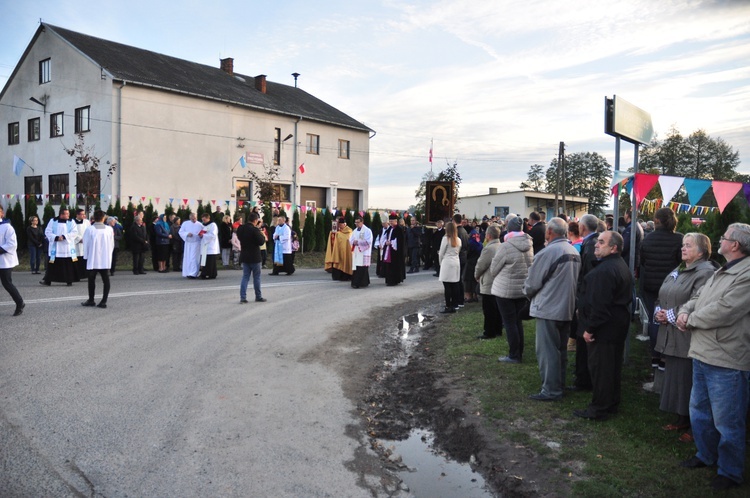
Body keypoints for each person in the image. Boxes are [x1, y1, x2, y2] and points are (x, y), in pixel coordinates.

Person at [676, 223, 750, 491]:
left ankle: (730, 472)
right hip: (702, 352)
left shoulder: (747, 274)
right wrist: (684, 311)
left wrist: (690, 320)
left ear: (736, 245)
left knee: (728, 421)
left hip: (727, 358)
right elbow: (698, 296)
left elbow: (726, 310)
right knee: (699, 413)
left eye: (725, 237)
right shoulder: (723, 269)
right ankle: (706, 455)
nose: (721, 239)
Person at [653, 233, 716, 441]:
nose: (683, 249)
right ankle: (682, 418)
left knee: (688, 380)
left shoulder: (705, 273)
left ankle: (693, 424)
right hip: (670, 333)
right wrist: (658, 312)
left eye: (688, 246)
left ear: (701, 251)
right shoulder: (679, 269)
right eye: (683, 245)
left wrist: (670, 315)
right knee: (677, 379)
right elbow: (663, 294)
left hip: (686, 335)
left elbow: (700, 302)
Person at [574, 230, 633, 420]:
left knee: (601, 370)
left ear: (613, 248)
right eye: (597, 241)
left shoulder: (604, 271)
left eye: (601, 242)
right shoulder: (617, 264)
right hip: (616, 325)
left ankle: (599, 408)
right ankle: (611, 403)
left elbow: (600, 307)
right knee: (611, 368)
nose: (596, 245)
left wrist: (589, 329)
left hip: (605, 329)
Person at [523, 217, 580, 401]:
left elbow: (532, 283)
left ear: (549, 232)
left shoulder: (548, 252)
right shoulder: (573, 250)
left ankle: (551, 390)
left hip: (549, 307)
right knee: (560, 350)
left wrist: (527, 294)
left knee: (548, 351)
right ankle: (559, 384)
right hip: (567, 307)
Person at [639, 207, 683, 369]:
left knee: (654, 318)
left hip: (651, 285)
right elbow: (681, 263)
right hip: (671, 285)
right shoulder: (679, 239)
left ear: (656, 221)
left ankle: (655, 355)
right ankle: (665, 356)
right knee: (670, 318)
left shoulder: (647, 239)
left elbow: (642, 262)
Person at [491, 215, 534, 363]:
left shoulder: (505, 246)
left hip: (506, 290)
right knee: (517, 322)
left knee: (510, 323)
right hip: (522, 289)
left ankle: (514, 355)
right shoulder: (529, 244)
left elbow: (493, 269)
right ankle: (518, 352)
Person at [570, 214, 600, 391]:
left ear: (582, 228)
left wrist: (581, 301)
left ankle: (583, 379)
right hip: (587, 298)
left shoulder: (590, 246)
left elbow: (587, 276)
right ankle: (583, 376)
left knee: (583, 342)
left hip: (586, 300)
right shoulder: (594, 243)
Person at [474, 224, 504, 339]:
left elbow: (481, 265)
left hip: (489, 281)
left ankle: (489, 332)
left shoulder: (489, 249)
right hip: (498, 281)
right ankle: (498, 329)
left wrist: (476, 275)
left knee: (488, 309)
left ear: (489, 235)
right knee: (496, 308)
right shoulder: (501, 246)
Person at [81, 210, 114, 309]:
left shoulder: (89, 229)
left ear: (94, 218)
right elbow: (112, 245)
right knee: (106, 279)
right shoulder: (109, 229)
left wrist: (86, 257)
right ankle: (104, 301)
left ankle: (91, 300)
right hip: (105, 258)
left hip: (93, 258)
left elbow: (85, 244)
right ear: (103, 218)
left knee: (91, 280)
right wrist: (109, 256)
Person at [41, 207, 78, 286]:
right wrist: (56, 237)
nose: (68, 215)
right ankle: (48, 281)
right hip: (56, 247)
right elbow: (47, 231)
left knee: (68, 265)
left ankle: (69, 280)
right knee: (52, 265)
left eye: (68, 213)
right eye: (66, 214)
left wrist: (64, 237)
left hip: (66, 248)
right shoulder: (53, 221)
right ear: (61, 215)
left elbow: (75, 232)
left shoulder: (71, 222)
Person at [236, 212, 267, 303]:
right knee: (256, 277)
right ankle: (258, 296)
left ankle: (243, 297)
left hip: (245, 255)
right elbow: (261, 241)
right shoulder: (254, 230)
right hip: (255, 256)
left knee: (245, 277)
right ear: (255, 220)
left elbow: (239, 237)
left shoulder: (241, 228)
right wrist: (260, 233)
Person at [0, 205, 25, 316]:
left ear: (2, 213)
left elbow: (12, 244)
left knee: (6, 283)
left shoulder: (7, 227)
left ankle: (19, 302)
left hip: (4, 260)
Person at [438, 221, 462, 313]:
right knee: (455, 284)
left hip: (447, 262)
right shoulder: (458, 239)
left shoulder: (445, 239)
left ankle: (448, 305)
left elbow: (441, 253)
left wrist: (441, 263)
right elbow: (458, 251)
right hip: (456, 262)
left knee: (447, 285)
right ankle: (454, 304)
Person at [381, 213, 406, 286]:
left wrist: (391, 243)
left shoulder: (399, 229)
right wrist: (386, 242)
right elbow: (385, 237)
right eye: (390, 221)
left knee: (394, 266)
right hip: (389, 250)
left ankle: (394, 280)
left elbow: (400, 241)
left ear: (396, 221)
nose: (391, 222)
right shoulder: (390, 229)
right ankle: (389, 280)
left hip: (396, 251)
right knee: (389, 266)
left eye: (392, 221)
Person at [349, 216, 373, 288]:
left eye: (358, 222)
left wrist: (358, 242)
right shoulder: (355, 231)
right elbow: (350, 240)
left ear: (362, 222)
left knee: (363, 268)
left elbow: (369, 241)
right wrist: (354, 242)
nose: (356, 224)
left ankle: (363, 282)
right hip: (357, 252)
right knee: (357, 267)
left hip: (364, 252)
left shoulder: (367, 230)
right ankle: (356, 282)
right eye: (355, 222)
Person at [179, 213, 202, 278]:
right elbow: (180, 232)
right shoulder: (185, 224)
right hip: (188, 244)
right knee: (188, 258)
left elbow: (203, 232)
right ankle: (187, 272)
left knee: (194, 258)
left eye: (195, 218)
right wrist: (187, 234)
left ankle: (193, 273)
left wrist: (201, 235)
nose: (194, 220)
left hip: (196, 243)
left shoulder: (200, 224)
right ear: (190, 218)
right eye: (193, 218)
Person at [454, 214, 469, 305]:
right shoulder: (464, 230)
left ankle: (458, 300)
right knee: (460, 279)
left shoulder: (457, 231)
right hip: (464, 256)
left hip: (459, 257)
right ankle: (461, 300)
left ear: (454, 221)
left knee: (457, 280)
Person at [199, 212, 219, 279]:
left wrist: (204, 235)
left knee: (210, 261)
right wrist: (201, 235)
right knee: (204, 260)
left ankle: (211, 274)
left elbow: (213, 235)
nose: (203, 221)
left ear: (208, 218)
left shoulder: (213, 225)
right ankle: (204, 273)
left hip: (210, 245)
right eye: (203, 220)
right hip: (205, 245)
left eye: (204, 220)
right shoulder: (204, 225)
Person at [72, 208, 90, 281]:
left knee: (84, 259)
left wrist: (85, 239)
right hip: (75, 243)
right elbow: (72, 232)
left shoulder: (87, 222)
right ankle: (77, 275)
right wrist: (79, 239)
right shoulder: (72, 222)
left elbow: (89, 231)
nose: (83, 215)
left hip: (84, 243)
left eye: (84, 214)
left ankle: (85, 275)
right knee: (76, 260)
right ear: (77, 215)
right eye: (82, 214)